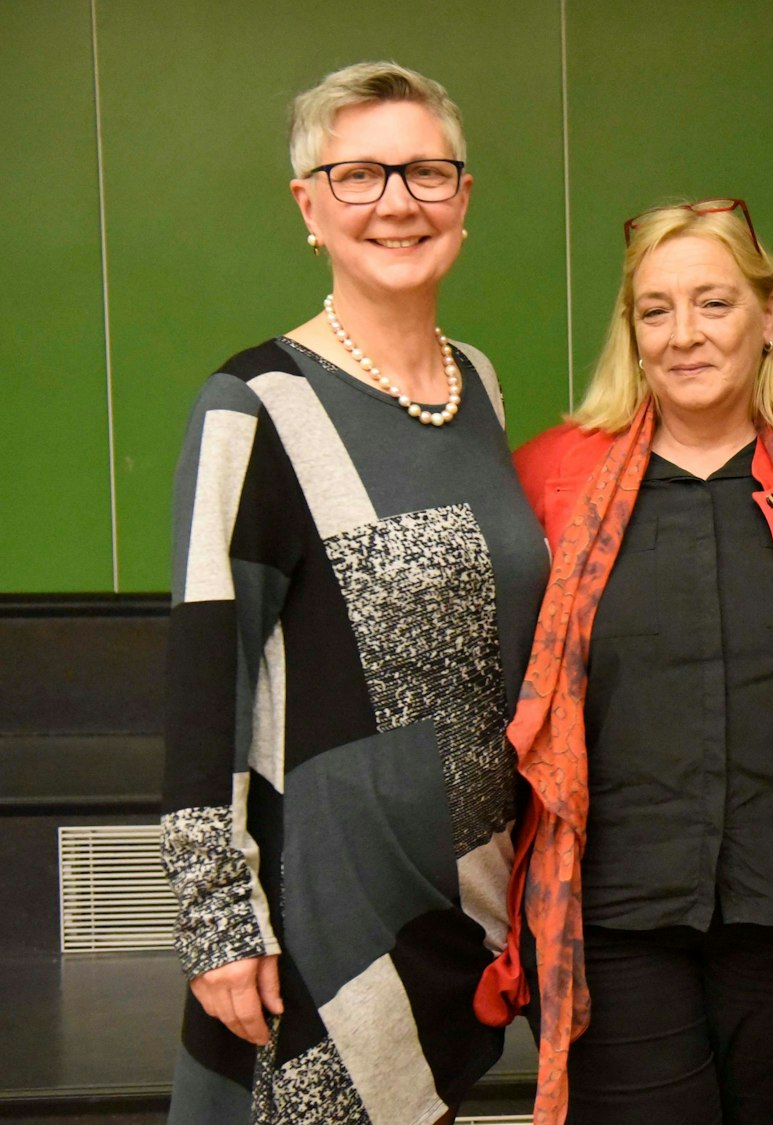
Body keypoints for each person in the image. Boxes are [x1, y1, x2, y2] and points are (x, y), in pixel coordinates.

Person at [480, 200, 773, 1125]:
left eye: (713, 303)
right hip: (614, 923)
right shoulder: (551, 481)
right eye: (655, 311)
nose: (683, 335)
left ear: (770, 315)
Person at [160, 62, 548, 1124]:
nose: (395, 202)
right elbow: (207, 676)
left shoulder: (480, 387)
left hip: (463, 903)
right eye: (359, 175)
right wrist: (218, 929)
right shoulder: (253, 404)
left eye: (425, 172)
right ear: (309, 206)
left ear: (461, 197)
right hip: (322, 909)